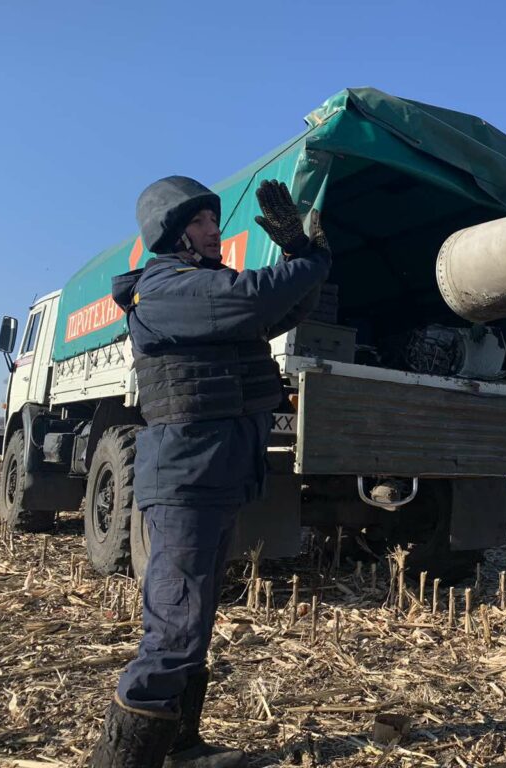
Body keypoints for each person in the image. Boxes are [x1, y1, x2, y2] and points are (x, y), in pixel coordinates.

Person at [91, 177, 331, 767]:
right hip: (184, 481)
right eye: (201, 224)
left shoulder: (203, 295)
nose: (214, 232)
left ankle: (180, 748)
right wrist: (312, 259)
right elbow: (253, 296)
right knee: (173, 631)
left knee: (193, 621)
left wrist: (306, 256)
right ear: (174, 235)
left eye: (213, 222)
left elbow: (282, 305)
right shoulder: (165, 290)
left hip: (214, 476)